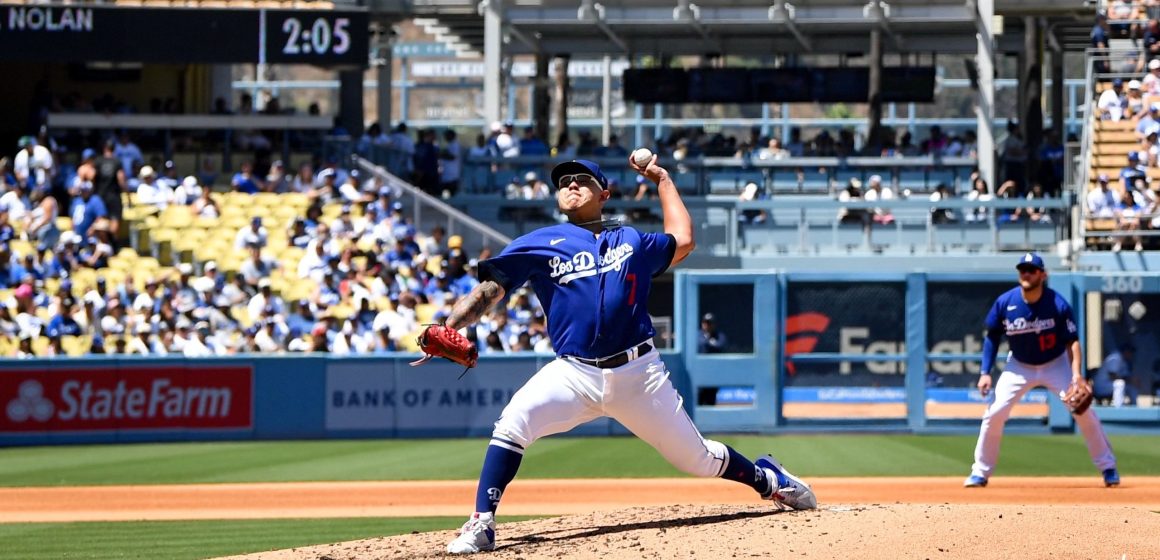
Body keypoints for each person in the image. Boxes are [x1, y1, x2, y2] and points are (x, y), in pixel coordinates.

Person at [430, 156, 816, 555]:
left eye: (582, 179)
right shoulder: (538, 242)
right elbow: (488, 292)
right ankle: (482, 523)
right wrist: (450, 325)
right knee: (512, 423)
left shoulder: (631, 241)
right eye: (564, 181)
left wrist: (663, 179)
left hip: (639, 373)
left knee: (697, 459)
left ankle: (769, 480)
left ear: (604, 194)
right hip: (574, 373)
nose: (571, 184)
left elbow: (683, 239)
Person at [964, 252, 1119, 489]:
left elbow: (1073, 342)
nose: (1026, 274)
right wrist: (985, 371)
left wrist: (1076, 374)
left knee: (1083, 411)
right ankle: (980, 473)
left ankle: (1108, 467)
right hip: (1019, 366)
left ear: (1042, 275)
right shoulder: (1006, 302)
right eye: (1022, 270)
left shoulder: (1057, 304)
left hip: (1055, 363)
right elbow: (992, 337)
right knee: (994, 413)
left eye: (1031, 270)